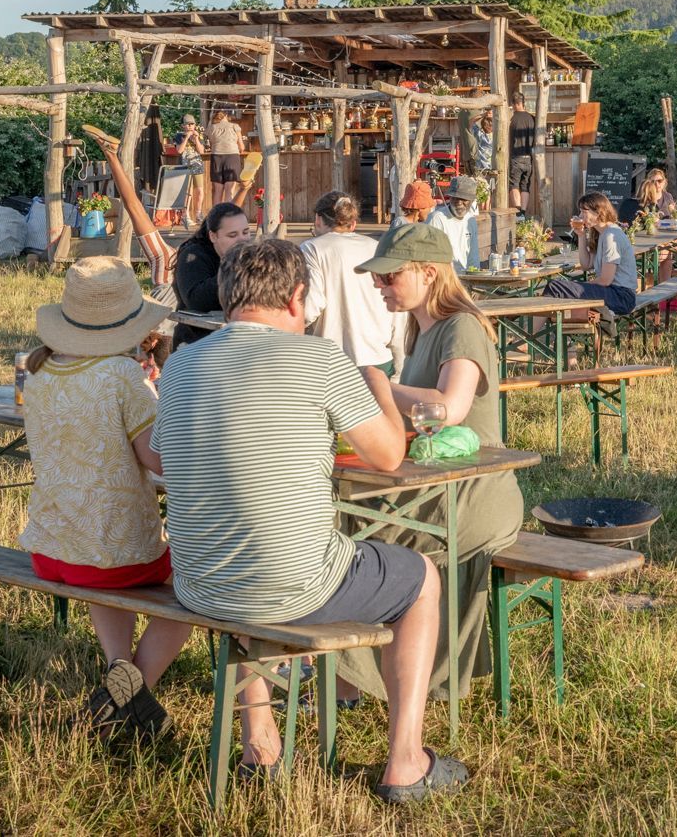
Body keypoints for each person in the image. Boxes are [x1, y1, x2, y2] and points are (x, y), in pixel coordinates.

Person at [156, 239, 462, 800]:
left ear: (226, 299)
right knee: (422, 578)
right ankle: (406, 761)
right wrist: (378, 389)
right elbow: (388, 456)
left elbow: (167, 455)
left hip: (198, 584)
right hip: (291, 586)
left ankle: (261, 742)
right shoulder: (320, 360)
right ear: (298, 298)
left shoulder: (179, 366)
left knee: (247, 546)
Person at [337, 223, 523, 709]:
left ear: (428, 273)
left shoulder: (462, 326)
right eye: (378, 278)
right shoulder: (423, 330)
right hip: (432, 483)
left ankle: (345, 676)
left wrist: (375, 382)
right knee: (336, 513)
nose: (378, 286)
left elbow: (449, 408)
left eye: (389, 276)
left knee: (347, 527)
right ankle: (346, 671)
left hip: (472, 495)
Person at [19, 257, 190, 736]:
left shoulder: (39, 371)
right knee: (198, 583)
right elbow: (157, 461)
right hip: (111, 553)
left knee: (101, 559)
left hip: (52, 546)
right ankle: (130, 694)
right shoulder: (121, 376)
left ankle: (119, 670)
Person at [300, 190, 404, 407]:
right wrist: (400, 362)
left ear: (318, 219)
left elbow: (311, 306)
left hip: (331, 362)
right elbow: (397, 309)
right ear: (353, 223)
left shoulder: (312, 249)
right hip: (378, 356)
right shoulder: (376, 248)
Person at [542, 192, 639, 318]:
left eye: (584, 212)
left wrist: (581, 286)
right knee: (557, 288)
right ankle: (541, 333)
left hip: (621, 296)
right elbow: (586, 265)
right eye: (580, 212)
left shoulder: (611, 235)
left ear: (598, 212)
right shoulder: (600, 233)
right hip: (612, 292)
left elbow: (605, 280)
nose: (580, 216)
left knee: (555, 287)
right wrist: (581, 235)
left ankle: (529, 334)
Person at [170, 202, 249, 348]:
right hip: (196, 342)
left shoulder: (250, 255)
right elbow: (196, 301)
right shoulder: (193, 256)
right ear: (213, 236)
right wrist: (233, 269)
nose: (242, 240)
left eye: (245, 232)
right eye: (233, 235)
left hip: (236, 338)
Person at [430, 177, 483, 270]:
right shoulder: (437, 219)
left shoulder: (470, 220)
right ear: (450, 197)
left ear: (471, 201)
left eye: (464, 199)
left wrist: (475, 276)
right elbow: (430, 256)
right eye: (455, 198)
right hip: (444, 277)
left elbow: (473, 256)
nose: (459, 203)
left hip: (466, 277)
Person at [176, 114, 208, 225]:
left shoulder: (199, 135)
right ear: (182, 126)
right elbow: (179, 151)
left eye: (192, 124)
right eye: (187, 124)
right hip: (185, 166)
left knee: (200, 191)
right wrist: (186, 137)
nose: (190, 126)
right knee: (187, 192)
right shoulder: (179, 135)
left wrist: (196, 139)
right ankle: (185, 215)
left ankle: (198, 214)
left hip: (197, 165)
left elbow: (202, 151)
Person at [207, 110, 245, 206]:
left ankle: (216, 217)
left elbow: (211, 144)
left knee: (218, 190)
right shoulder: (234, 126)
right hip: (232, 156)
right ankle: (228, 216)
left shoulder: (211, 127)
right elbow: (241, 147)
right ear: (226, 116)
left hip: (216, 157)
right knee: (230, 190)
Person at [509, 92, 538, 213]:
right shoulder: (532, 118)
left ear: (514, 104)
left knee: (514, 184)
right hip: (529, 157)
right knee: (525, 185)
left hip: (516, 156)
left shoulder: (512, 119)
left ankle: (518, 211)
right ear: (523, 102)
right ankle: (524, 212)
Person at [466, 110, 495, 181]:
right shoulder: (497, 136)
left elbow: (470, 122)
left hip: (481, 168)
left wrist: (483, 115)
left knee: (482, 188)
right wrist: (494, 116)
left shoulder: (479, 135)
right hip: (495, 167)